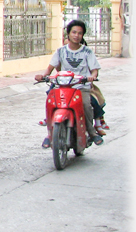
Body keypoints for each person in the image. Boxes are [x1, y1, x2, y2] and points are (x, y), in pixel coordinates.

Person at [35, 19, 103, 147]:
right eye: (74, 32)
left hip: (80, 87)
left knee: (86, 105)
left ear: (82, 35)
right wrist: (43, 76)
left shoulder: (87, 52)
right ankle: (50, 133)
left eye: (80, 33)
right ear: (68, 34)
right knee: (51, 102)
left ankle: (92, 132)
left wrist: (92, 77)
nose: (76, 35)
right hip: (62, 86)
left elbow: (94, 70)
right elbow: (49, 69)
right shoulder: (60, 51)